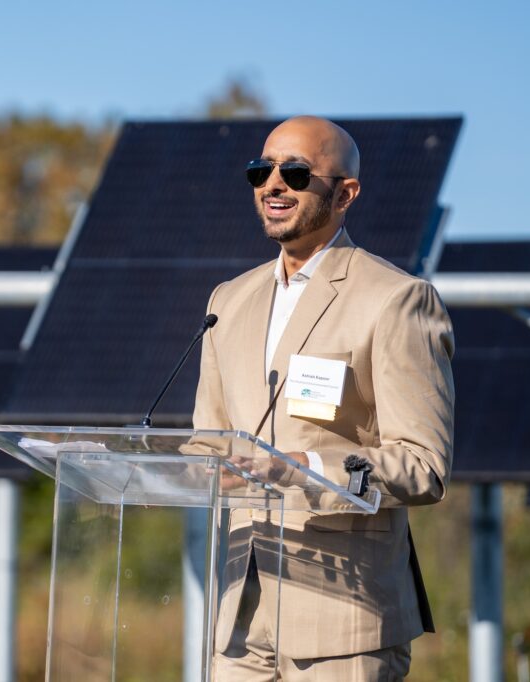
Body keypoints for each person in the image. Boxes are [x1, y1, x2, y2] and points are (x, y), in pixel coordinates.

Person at [193, 116, 455, 680]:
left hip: (345, 620)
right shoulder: (228, 301)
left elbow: (423, 467)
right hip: (238, 615)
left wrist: (302, 468)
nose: (273, 184)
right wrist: (170, 464)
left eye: (295, 172)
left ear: (345, 193)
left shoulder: (396, 301)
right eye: (262, 170)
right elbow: (205, 443)